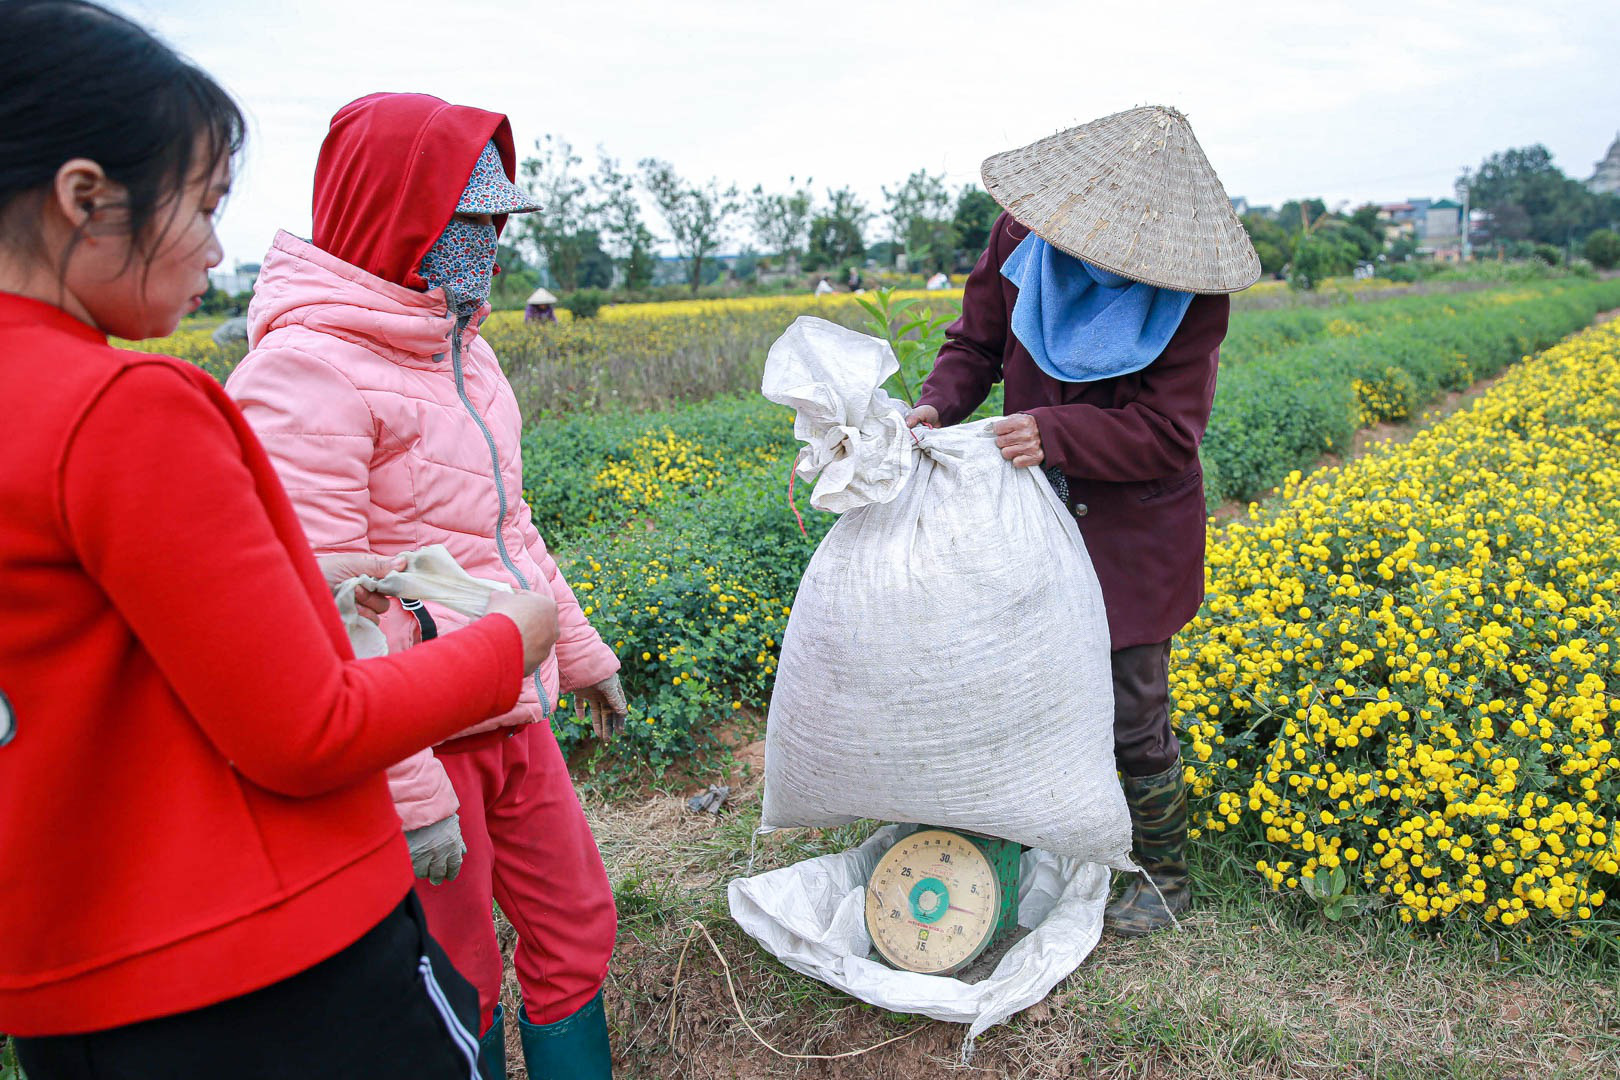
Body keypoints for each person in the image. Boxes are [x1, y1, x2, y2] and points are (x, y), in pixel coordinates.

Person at [0, 3, 561, 1077]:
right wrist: (508, 644)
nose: (219, 249)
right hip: (265, 967)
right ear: (85, 199)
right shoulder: (125, 408)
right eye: (203, 205)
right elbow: (306, 728)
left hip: (72, 986)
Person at [226, 93, 624, 1080]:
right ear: (403, 220)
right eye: (470, 221)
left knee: (577, 923)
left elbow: (507, 533)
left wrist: (581, 657)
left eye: (497, 222)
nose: (489, 244)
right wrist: (408, 795)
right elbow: (320, 605)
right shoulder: (304, 373)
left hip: (509, 707)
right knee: (457, 970)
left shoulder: (469, 355)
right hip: (417, 736)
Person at [906, 106, 1261, 937]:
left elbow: (1170, 432)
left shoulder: (1188, 293)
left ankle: (1162, 875)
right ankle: (1048, 834)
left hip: (1135, 527)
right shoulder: (1023, 239)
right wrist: (932, 406)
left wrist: (1057, 433)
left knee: (1132, 700)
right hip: (1032, 510)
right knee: (1027, 675)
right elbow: (975, 347)